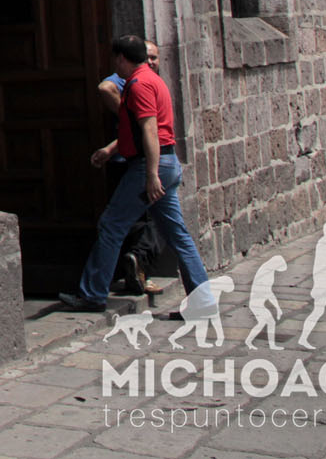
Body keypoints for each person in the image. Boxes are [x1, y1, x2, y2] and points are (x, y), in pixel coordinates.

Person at [60, 34, 212, 314]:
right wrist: (111, 150)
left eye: (114, 59)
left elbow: (150, 131)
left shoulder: (139, 84)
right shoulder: (153, 80)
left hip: (149, 166)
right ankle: (202, 302)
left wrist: (151, 175)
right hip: (167, 162)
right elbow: (144, 130)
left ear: (121, 58)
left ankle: (92, 295)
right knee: (177, 234)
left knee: (111, 225)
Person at [92, 40, 165, 295]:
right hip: (134, 163)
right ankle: (116, 280)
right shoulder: (132, 82)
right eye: (147, 57)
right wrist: (125, 109)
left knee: (157, 221)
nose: (151, 62)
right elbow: (105, 88)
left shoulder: (149, 83)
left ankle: (138, 268)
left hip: (152, 161)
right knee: (129, 221)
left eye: (155, 57)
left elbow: (150, 129)